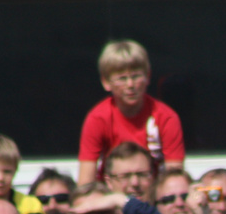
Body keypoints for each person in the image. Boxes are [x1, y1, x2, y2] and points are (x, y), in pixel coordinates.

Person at [78, 39, 184, 185]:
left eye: (136, 76)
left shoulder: (166, 117)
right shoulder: (97, 118)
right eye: (122, 78)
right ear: (106, 82)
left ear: (148, 76)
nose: (130, 85)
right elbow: (85, 182)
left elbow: (176, 179)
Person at [66, 148, 181, 214]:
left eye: (142, 175)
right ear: (108, 181)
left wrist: (120, 200)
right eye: (125, 176)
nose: (135, 183)